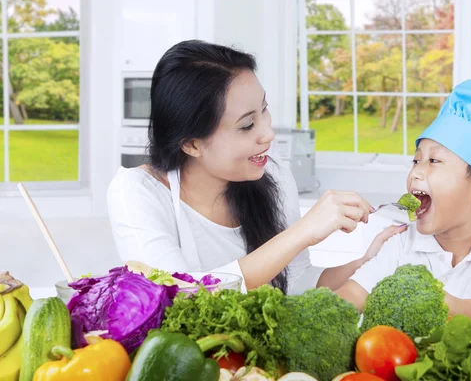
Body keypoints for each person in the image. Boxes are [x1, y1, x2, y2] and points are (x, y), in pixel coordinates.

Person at [107, 40, 394, 295]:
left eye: (264, 109)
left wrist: (366, 264)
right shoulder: (135, 193)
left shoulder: (274, 174)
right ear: (192, 144)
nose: (268, 133)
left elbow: (293, 283)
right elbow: (181, 296)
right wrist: (302, 232)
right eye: (247, 125)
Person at [335, 79, 471, 325]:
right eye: (416, 161)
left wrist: (449, 305)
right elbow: (352, 294)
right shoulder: (401, 244)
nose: (415, 172)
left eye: (434, 161)